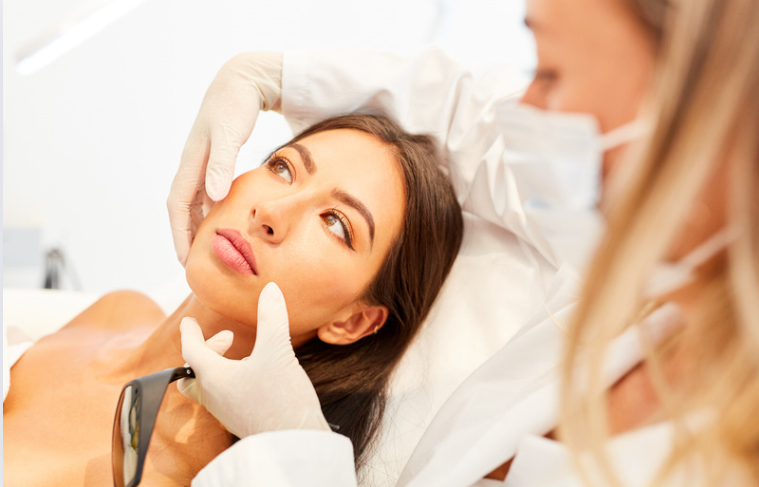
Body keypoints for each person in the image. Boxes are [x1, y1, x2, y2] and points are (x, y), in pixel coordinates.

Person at [172, 0, 759, 485]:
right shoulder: (644, 279)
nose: (522, 109)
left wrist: (290, 453)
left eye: (549, 74)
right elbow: (466, 120)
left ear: (704, 118)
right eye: (282, 167)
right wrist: (270, 75)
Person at [2, 114, 464, 486]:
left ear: (354, 322)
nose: (271, 212)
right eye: (283, 168)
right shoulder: (119, 310)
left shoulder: (186, 473)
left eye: (336, 223)